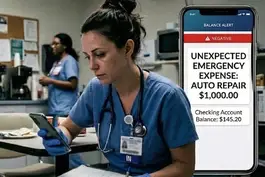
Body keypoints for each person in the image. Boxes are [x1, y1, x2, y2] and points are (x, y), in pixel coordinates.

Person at [38, 0, 199, 176]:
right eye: (87, 57)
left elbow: (184, 167)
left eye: (100, 54)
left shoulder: (167, 96)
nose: (92, 65)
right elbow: (69, 127)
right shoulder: (96, 89)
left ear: (128, 48)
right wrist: (61, 136)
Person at [38, 33, 85, 169]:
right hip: (55, 108)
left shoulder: (69, 60)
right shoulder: (56, 63)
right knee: (58, 149)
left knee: (68, 151)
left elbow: (72, 84)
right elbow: (57, 81)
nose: (52, 46)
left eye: (56, 43)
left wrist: (50, 80)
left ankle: (82, 171)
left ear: (64, 46)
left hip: (65, 109)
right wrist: (47, 82)